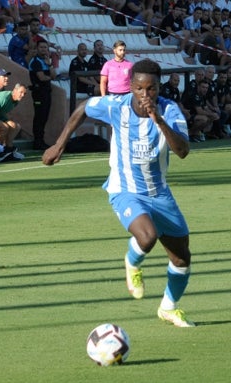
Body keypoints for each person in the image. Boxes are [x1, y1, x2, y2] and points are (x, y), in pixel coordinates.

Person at [42, 59, 195, 328]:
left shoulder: (169, 110)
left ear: (159, 88)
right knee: (146, 238)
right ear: (131, 87)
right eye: (139, 88)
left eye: (151, 89)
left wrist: (158, 120)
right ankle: (131, 263)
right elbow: (83, 108)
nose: (145, 95)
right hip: (124, 189)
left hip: (159, 193)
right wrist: (59, 144)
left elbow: (183, 151)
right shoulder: (117, 105)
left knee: (181, 257)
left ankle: (168, 308)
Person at [28, 40, 55, 150]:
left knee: (44, 117)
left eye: (45, 47)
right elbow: (42, 77)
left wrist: (50, 65)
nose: (44, 49)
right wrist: (50, 77)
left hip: (46, 92)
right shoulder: (35, 61)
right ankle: (37, 141)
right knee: (39, 117)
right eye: (41, 47)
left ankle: (41, 141)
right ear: (37, 49)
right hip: (39, 93)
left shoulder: (46, 61)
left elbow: (54, 75)